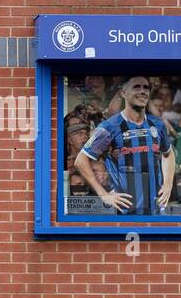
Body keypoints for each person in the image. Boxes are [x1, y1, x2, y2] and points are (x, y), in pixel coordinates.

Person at [75, 76, 175, 215]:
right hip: (125, 213)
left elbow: (168, 154)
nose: (143, 91)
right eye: (137, 87)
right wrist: (104, 194)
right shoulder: (110, 126)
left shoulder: (157, 124)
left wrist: (168, 184)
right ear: (123, 93)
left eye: (146, 88)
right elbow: (81, 161)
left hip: (155, 211)